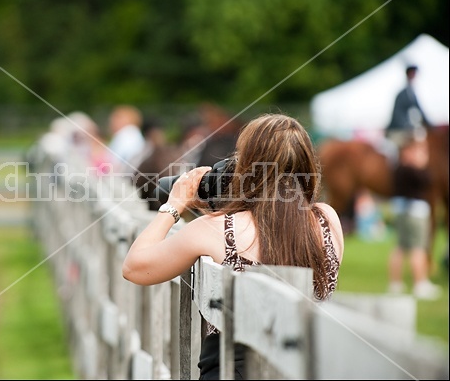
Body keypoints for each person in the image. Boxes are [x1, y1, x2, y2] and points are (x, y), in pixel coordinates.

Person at [122, 114, 345, 379]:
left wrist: (174, 205)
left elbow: (135, 267)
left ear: (246, 165)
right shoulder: (327, 219)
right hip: (306, 367)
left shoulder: (218, 228)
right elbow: (280, 221)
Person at [387, 137, 441, 300]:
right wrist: (423, 165)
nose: (422, 155)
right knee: (418, 248)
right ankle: (420, 283)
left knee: (401, 247)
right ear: (407, 152)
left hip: (402, 211)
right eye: (419, 151)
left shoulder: (398, 169)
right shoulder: (412, 170)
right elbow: (428, 180)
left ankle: (395, 283)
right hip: (414, 213)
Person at [385, 65, 431, 150]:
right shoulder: (402, 94)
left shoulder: (412, 93)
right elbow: (397, 114)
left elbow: (420, 109)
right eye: (412, 74)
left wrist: (430, 125)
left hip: (407, 127)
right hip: (398, 129)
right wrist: (407, 126)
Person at [107, 104, 146, 175]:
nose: (111, 122)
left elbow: (114, 162)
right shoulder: (135, 134)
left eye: (117, 118)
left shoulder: (126, 134)